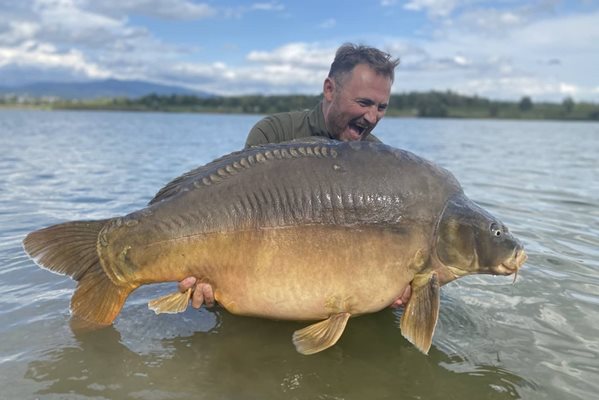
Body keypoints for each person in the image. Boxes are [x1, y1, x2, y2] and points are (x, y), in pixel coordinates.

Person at [178, 43, 411, 310]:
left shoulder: (378, 161)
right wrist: (209, 272)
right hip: (262, 286)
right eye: (363, 103)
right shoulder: (274, 134)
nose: (371, 117)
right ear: (330, 89)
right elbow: (237, 220)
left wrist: (391, 283)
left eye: (381, 107)